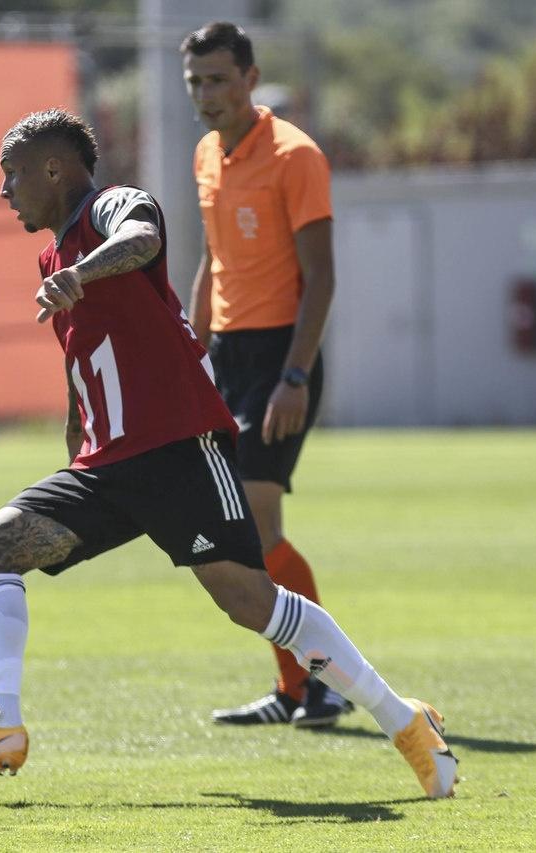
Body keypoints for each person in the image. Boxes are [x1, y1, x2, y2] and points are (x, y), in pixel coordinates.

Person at [0, 108, 458, 799]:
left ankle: (403, 719)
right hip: (106, 467)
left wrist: (83, 271)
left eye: (11, 174)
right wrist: (78, 434)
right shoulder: (53, 258)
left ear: (54, 169)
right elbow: (90, 365)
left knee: (250, 602)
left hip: (179, 448)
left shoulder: (106, 208)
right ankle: (0, 723)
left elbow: (141, 235)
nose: (4, 191)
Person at [181, 22, 346, 727]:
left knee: (256, 522)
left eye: (218, 79)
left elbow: (322, 278)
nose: (206, 94)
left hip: (282, 359)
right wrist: (190, 348)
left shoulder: (296, 156)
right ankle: (298, 687)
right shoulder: (205, 156)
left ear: (250, 78)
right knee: (242, 534)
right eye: (195, 82)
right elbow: (213, 260)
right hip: (229, 359)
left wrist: (296, 376)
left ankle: (324, 680)